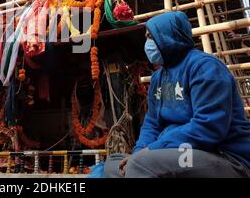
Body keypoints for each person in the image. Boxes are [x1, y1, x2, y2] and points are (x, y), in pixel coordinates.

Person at [105, 11, 250, 178]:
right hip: (177, 152)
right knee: (113, 165)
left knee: (140, 164)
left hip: (223, 156)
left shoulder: (205, 67)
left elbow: (208, 128)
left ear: (168, 36)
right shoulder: (158, 78)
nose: (147, 44)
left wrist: (152, 150)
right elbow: (152, 124)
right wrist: (138, 152)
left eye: (150, 37)